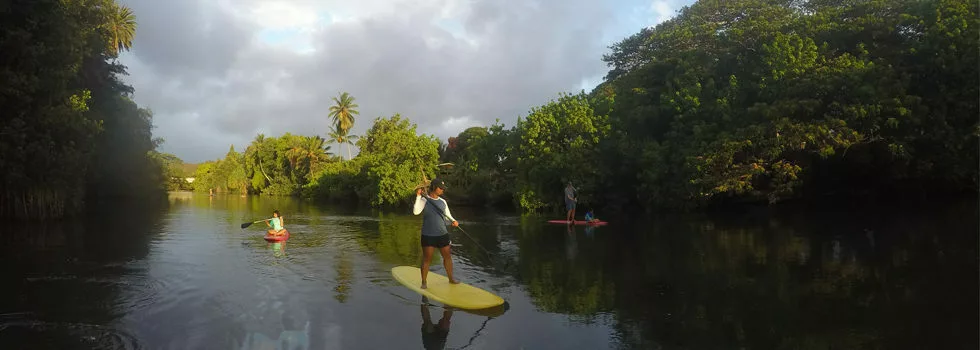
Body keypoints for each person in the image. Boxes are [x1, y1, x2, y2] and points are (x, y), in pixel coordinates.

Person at [412, 178, 459, 289]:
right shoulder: (424, 200)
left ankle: (451, 279)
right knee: (427, 259)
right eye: (440, 188)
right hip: (428, 235)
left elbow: (448, 216)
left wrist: (453, 221)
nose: (442, 190)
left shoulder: (443, 202)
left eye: (443, 188)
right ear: (433, 188)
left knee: (447, 257)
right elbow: (416, 212)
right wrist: (418, 196)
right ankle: (424, 282)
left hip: (442, 234)